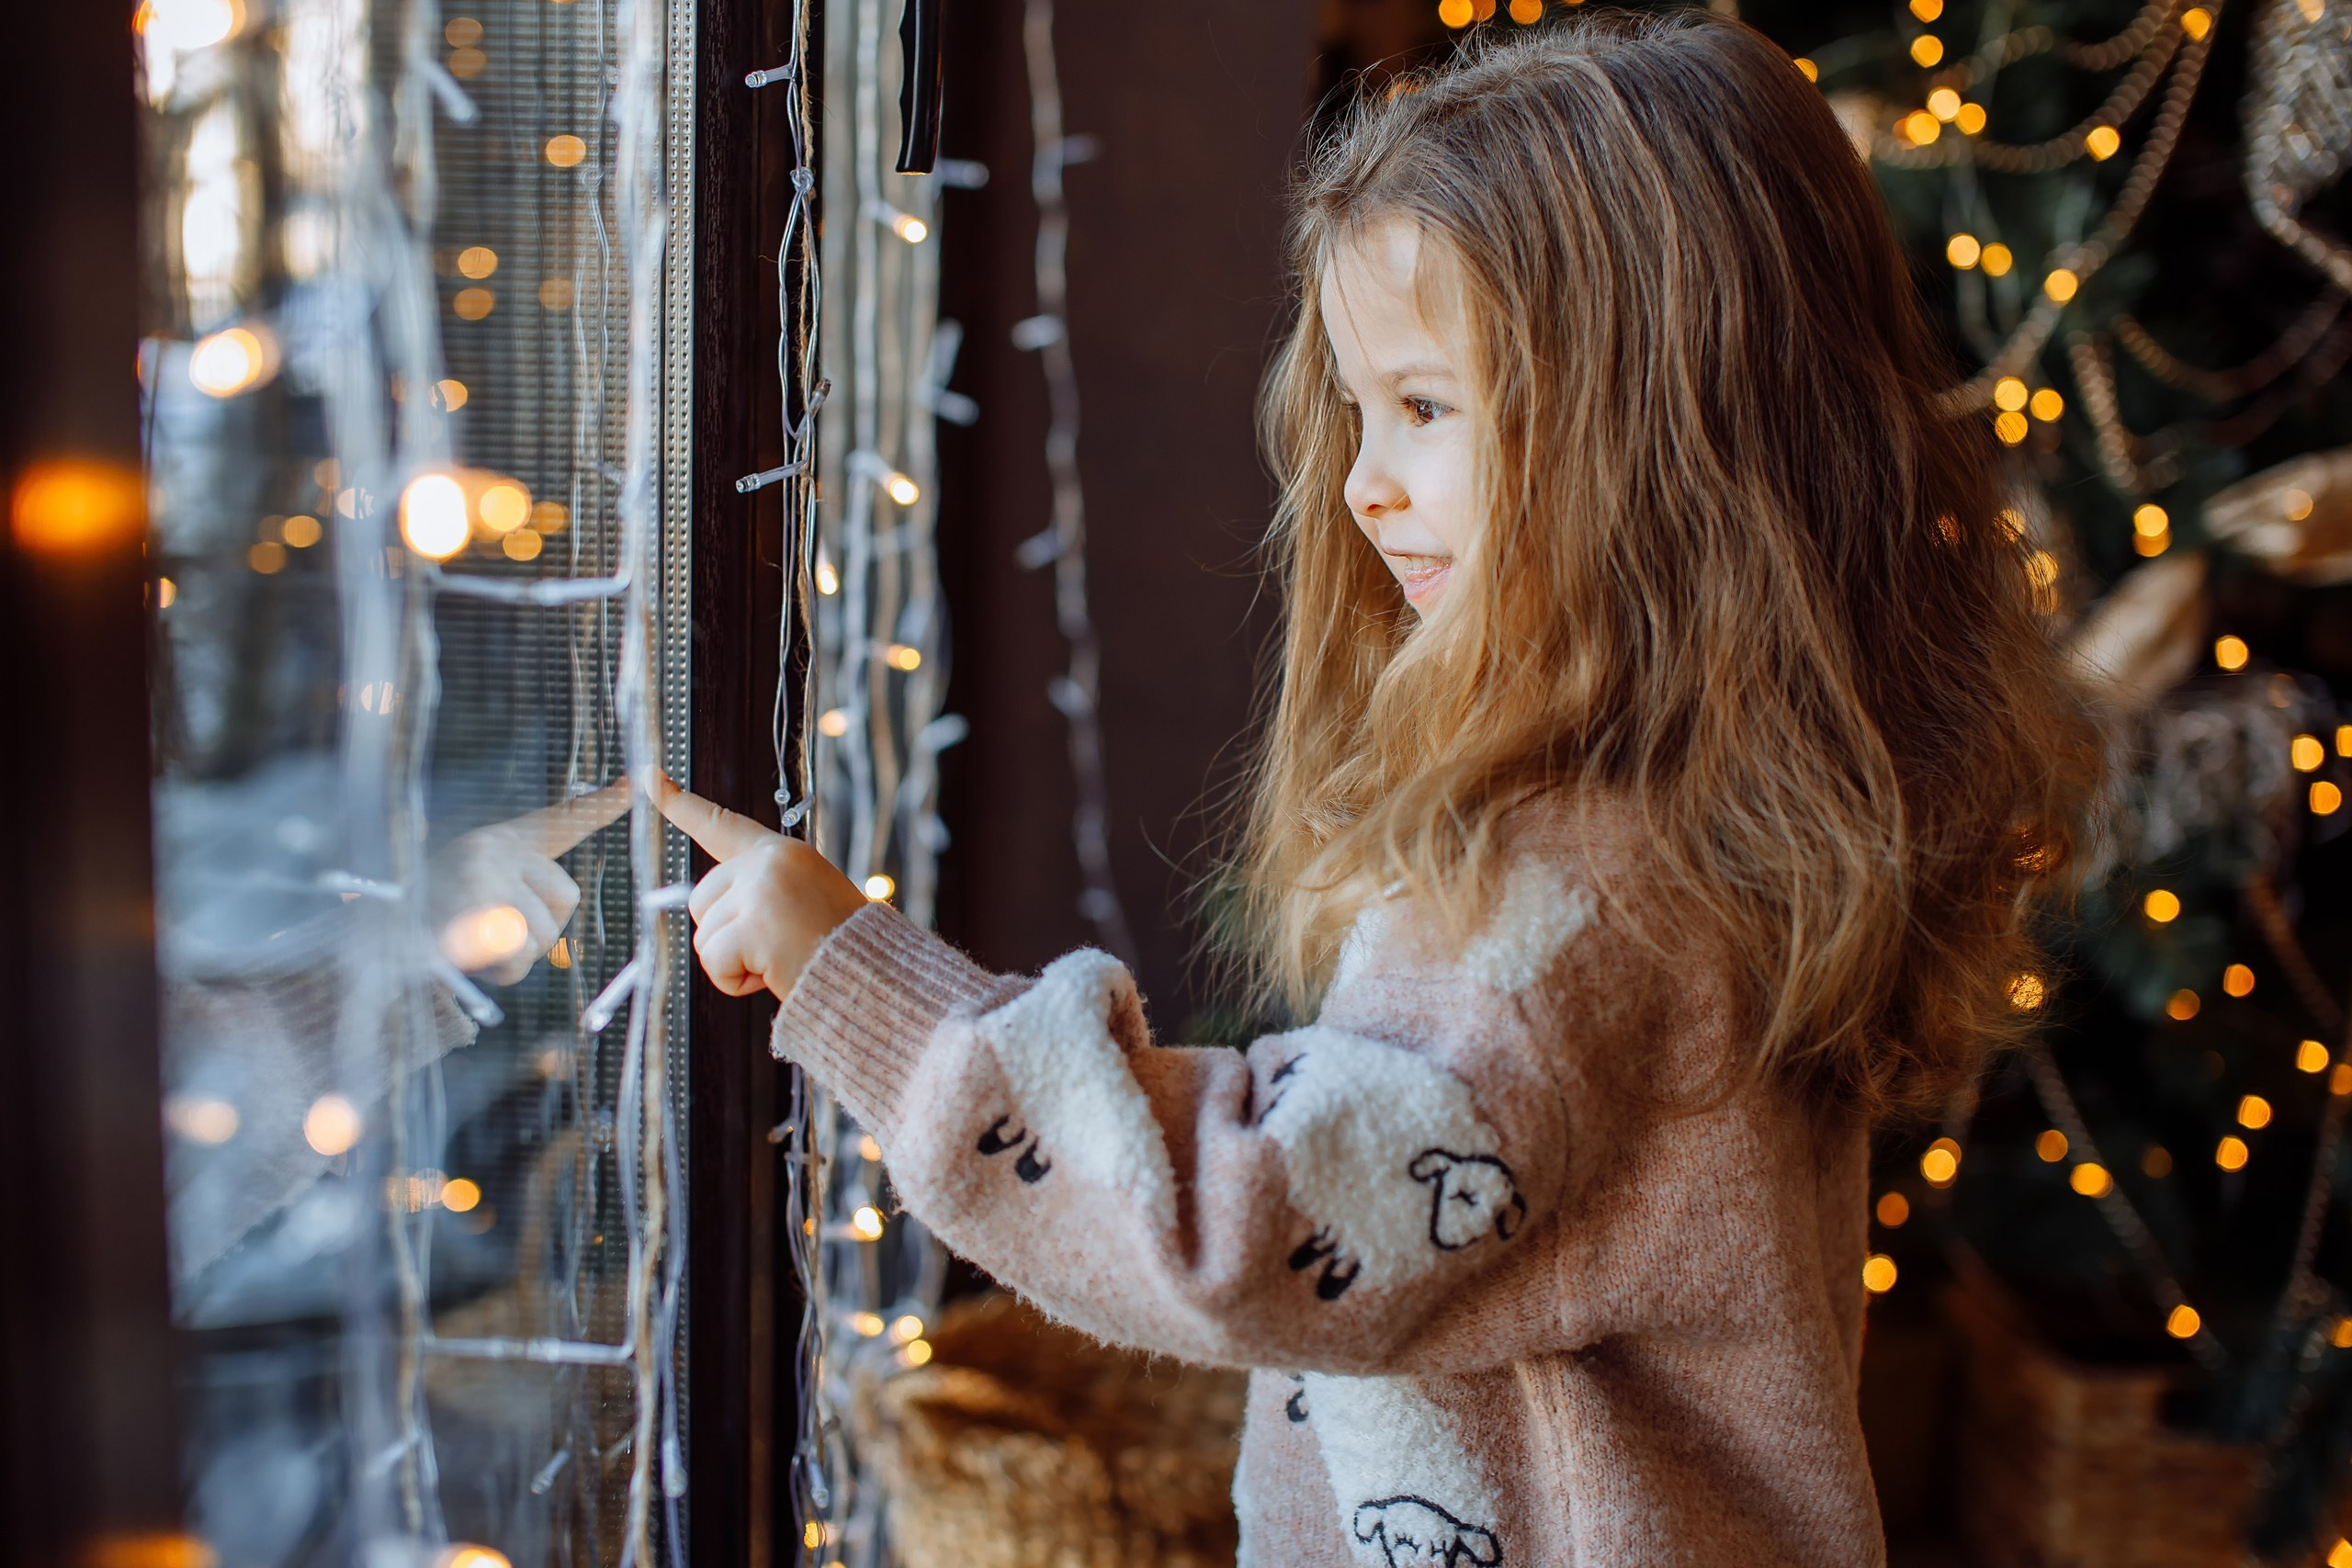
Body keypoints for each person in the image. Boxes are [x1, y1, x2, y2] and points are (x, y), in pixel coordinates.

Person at [661, 12, 2099, 1564]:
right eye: (1357, 408)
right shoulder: (1712, 812)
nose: (1362, 482)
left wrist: (860, 984)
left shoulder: (1579, 896)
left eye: (1424, 406)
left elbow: (1241, 1229)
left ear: (1649, 433)